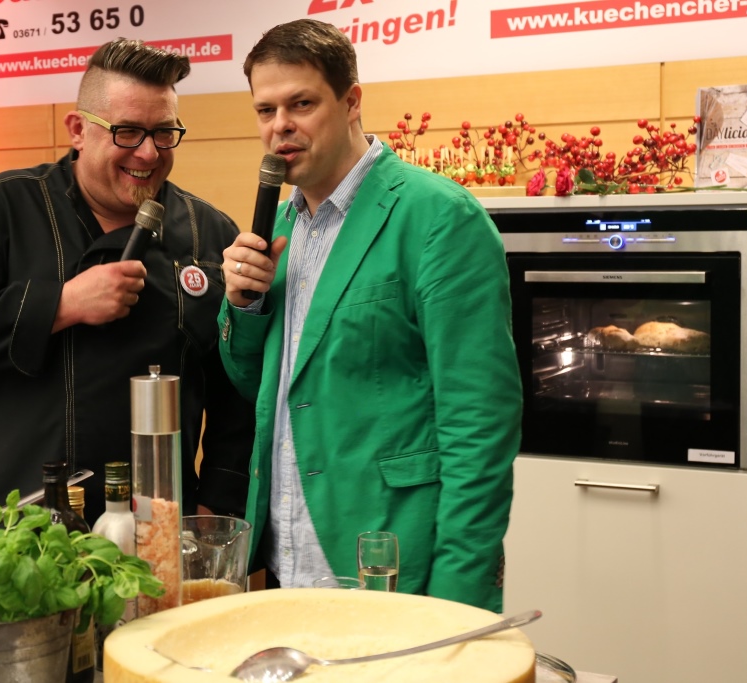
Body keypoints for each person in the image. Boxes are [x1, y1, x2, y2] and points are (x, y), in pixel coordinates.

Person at [218, 19, 521, 612]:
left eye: (301, 104)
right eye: (265, 110)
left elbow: (480, 428)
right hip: (287, 563)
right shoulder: (279, 225)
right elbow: (266, 390)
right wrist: (243, 306)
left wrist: (457, 601)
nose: (280, 126)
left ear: (352, 101)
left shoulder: (440, 218)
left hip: (390, 563)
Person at [0, 38, 254, 526]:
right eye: (127, 132)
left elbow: (236, 391)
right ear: (78, 130)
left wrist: (216, 502)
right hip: (24, 526)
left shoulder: (207, 231)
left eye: (164, 132)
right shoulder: (6, 204)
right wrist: (63, 303)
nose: (149, 153)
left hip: (158, 523)